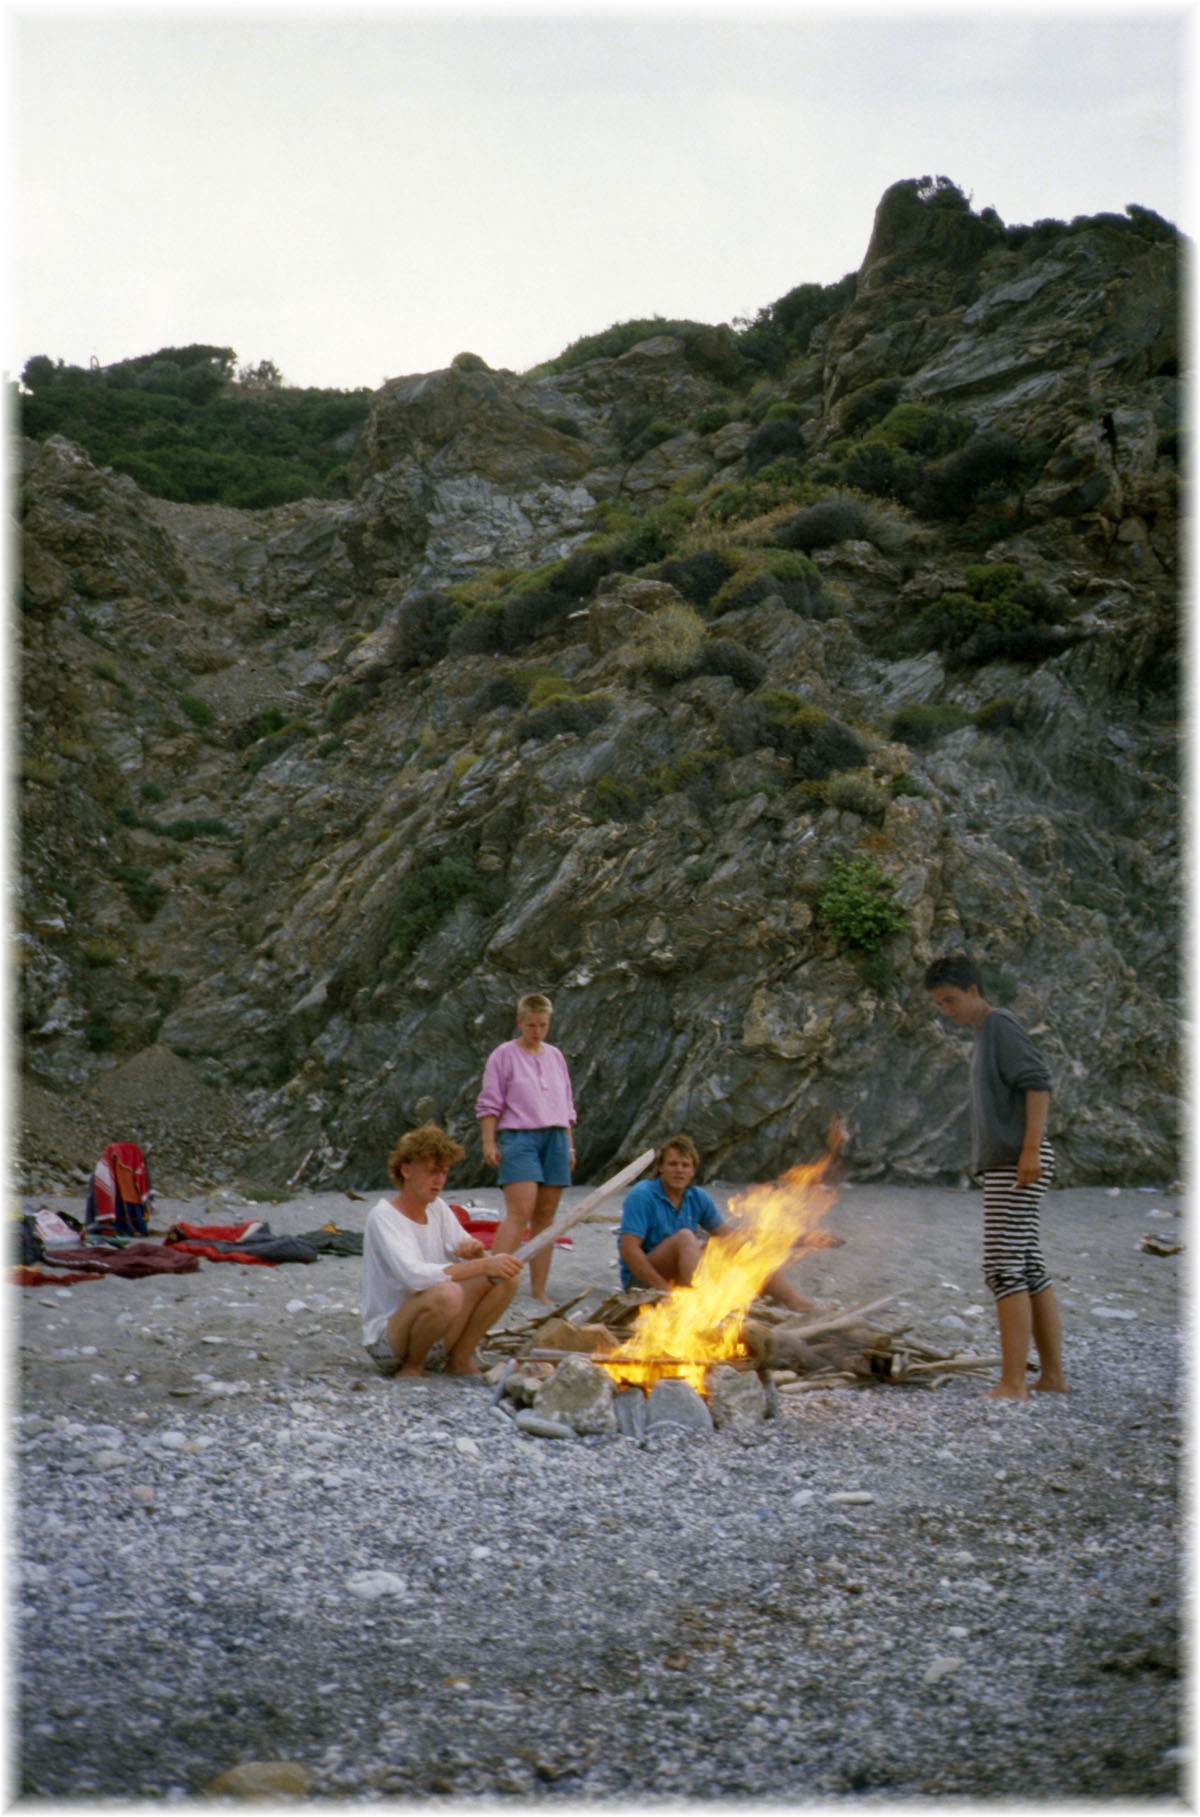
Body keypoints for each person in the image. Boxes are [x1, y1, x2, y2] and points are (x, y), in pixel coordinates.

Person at [924, 953, 1068, 1401]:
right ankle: (1051, 1377)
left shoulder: (1000, 1025)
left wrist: (1028, 1151)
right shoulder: (986, 1034)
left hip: (1015, 1161)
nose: (947, 1011)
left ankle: (1013, 1384)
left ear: (973, 990)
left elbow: (1038, 1082)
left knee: (1003, 1269)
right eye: (939, 1005)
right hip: (1010, 1160)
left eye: (951, 1000)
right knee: (1027, 1267)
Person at [361, 1123, 521, 1378]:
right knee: (448, 1293)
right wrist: (482, 1265)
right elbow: (414, 1276)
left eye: (444, 1173)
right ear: (406, 1170)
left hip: (438, 1326)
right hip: (390, 1338)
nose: (439, 1181)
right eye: (432, 1172)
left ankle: (459, 1359)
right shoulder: (383, 1216)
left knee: (506, 1274)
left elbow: (474, 1262)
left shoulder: (438, 1209)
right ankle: (413, 1366)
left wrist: (477, 1254)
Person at [617, 1135, 815, 1313]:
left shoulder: (696, 1197)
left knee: (742, 1245)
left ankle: (795, 1302)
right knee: (686, 1237)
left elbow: (727, 1236)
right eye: (673, 1164)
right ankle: (703, 1305)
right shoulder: (643, 1195)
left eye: (685, 1165)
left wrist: (779, 1241)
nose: (679, 1170)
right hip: (644, 1280)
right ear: (660, 1168)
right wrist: (663, 1290)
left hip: (682, 1276)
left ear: (693, 1170)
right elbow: (629, 1250)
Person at [476, 992, 577, 1304]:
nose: (537, 1031)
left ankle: (538, 1289)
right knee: (519, 1212)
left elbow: (566, 1104)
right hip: (519, 1136)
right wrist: (489, 1141)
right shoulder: (503, 1055)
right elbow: (489, 1102)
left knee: (546, 1216)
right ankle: (489, 1283)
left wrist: (570, 1146)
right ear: (520, 1022)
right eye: (531, 1025)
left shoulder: (555, 1056)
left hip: (556, 1136)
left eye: (543, 1025)